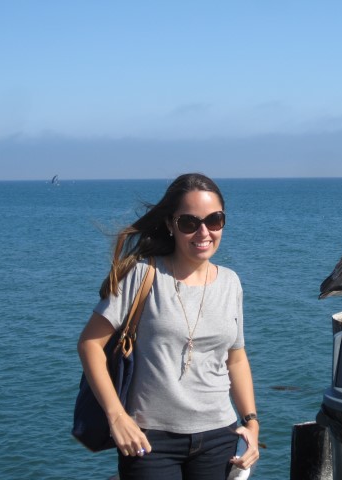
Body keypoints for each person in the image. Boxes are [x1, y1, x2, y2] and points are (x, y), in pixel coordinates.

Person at [77, 173, 260, 479]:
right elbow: (90, 344)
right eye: (189, 223)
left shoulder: (230, 282)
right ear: (170, 225)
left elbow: (236, 358)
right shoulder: (142, 275)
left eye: (214, 220)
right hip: (150, 440)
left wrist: (252, 422)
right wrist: (117, 417)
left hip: (219, 435)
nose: (204, 232)